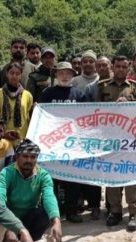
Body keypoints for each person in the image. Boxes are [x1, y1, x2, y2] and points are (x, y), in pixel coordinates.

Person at [38, 62, 96, 222]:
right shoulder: (47, 93)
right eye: (61, 73)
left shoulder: (79, 94)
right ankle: (52, 213)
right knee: (51, 180)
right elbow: (40, 116)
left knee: (73, 179)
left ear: (72, 75)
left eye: (67, 73)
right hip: (52, 143)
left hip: (73, 144)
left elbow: (87, 120)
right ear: (56, 75)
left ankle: (71, 211)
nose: (64, 76)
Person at [98, 56, 136, 230]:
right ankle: (115, 211)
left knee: (130, 174)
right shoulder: (102, 86)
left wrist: (129, 102)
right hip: (110, 138)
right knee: (112, 174)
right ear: (113, 67)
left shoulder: (135, 88)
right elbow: (95, 109)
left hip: (130, 138)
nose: (121, 70)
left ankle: (134, 212)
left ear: (129, 68)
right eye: (118, 66)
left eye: (124, 67)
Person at [0, 140, 62, 242]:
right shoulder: (7, 172)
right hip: (8, 217)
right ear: (17, 157)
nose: (29, 160)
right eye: (25, 156)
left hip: (28, 217)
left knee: (43, 214)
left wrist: (56, 222)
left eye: (33, 157)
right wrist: (8, 226)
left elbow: (49, 197)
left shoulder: (43, 175)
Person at [0, 63, 34, 141]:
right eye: (12, 73)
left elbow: (28, 118)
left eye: (17, 74)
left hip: (22, 137)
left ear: (21, 75)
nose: (14, 76)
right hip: (3, 137)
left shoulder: (28, 95)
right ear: (7, 74)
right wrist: (4, 133)